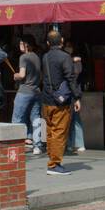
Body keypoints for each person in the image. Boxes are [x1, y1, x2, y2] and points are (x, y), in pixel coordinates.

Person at [39, 29, 79, 176]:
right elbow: (71, 78)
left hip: (46, 99)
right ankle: (54, 164)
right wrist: (77, 97)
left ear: (48, 43)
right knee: (59, 132)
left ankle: (52, 160)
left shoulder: (45, 57)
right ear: (62, 41)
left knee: (50, 131)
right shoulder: (65, 57)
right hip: (61, 101)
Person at [11, 34, 44, 155]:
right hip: (36, 91)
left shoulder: (24, 57)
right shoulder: (37, 57)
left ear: (26, 45)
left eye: (21, 43)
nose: (19, 45)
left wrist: (16, 76)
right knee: (36, 119)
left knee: (17, 118)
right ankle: (38, 146)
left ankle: (15, 146)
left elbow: (22, 75)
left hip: (24, 91)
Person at [67, 43, 87, 154]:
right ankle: (71, 144)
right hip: (71, 92)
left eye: (70, 45)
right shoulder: (71, 60)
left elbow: (75, 73)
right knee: (70, 119)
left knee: (75, 118)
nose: (68, 48)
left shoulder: (77, 62)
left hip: (75, 92)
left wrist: (72, 61)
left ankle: (78, 144)